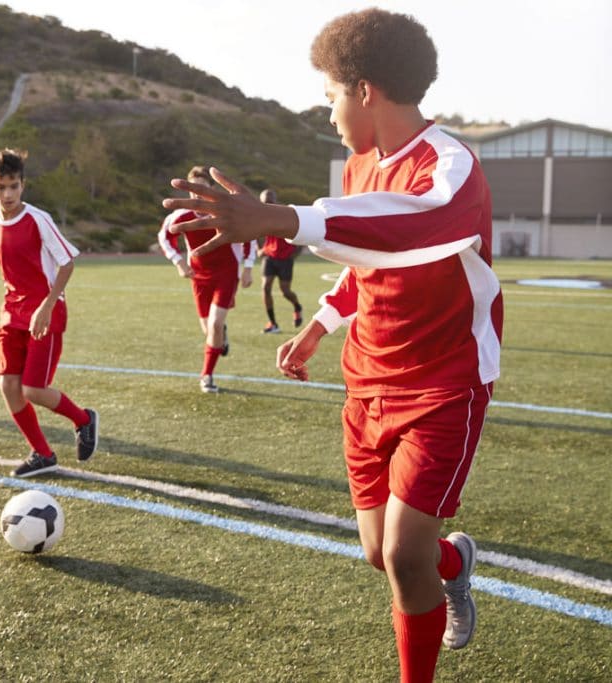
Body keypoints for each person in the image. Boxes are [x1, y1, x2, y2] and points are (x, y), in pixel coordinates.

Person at [162, 9, 502, 682]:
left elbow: (418, 226)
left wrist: (290, 217)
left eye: (329, 97)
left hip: (442, 382)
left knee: (405, 553)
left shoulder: (451, 166)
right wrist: (318, 325)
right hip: (366, 379)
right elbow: (364, 258)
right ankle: (455, 563)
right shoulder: (357, 169)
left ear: (365, 90)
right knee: (382, 552)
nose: (328, 113)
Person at [0, 148, 98, 477]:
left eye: (13, 186)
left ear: (23, 185)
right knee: (8, 386)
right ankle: (42, 453)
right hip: (11, 312)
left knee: (34, 389)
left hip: (46, 311)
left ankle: (83, 419)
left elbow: (67, 263)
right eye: (1, 187)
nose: (7, 194)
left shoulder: (38, 220)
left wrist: (47, 304)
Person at [157, 165, 257, 394]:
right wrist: (179, 262)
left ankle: (207, 376)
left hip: (226, 272)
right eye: (192, 190)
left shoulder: (225, 212)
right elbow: (165, 236)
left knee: (214, 325)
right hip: (199, 276)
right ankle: (221, 335)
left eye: (201, 189)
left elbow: (250, 236)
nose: (196, 194)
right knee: (209, 330)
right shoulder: (181, 215)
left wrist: (248, 268)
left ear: (211, 189)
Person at [257, 189, 303, 334]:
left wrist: (293, 255)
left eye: (270, 201)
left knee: (285, 291)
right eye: (265, 202)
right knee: (265, 288)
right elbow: (255, 233)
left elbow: (302, 234)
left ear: (275, 201)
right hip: (270, 258)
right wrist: (261, 249)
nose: (267, 205)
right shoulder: (260, 216)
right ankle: (273, 323)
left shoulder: (286, 214)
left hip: (285, 259)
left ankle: (297, 306)